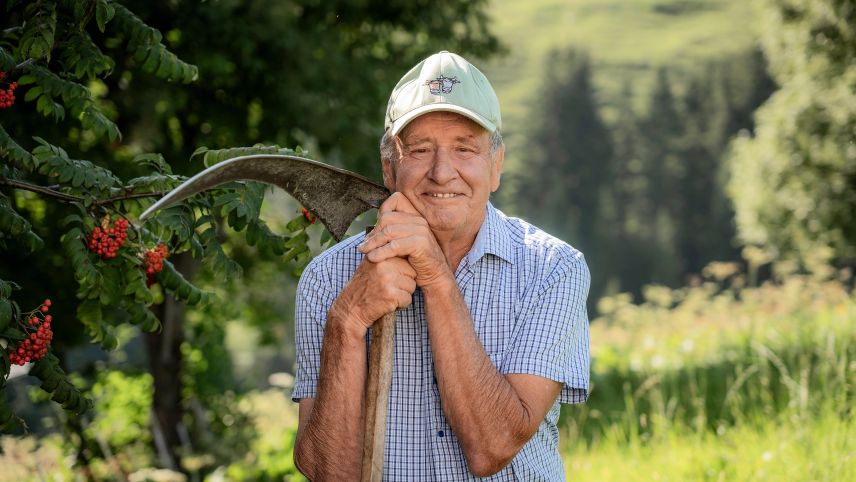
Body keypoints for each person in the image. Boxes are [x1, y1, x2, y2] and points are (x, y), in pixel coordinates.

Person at [292, 51, 590, 481]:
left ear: (496, 166)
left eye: (464, 148)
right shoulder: (328, 279)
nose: (442, 172)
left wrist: (435, 276)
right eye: (419, 150)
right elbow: (326, 473)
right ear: (389, 168)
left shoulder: (552, 270)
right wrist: (349, 319)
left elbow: (492, 448)